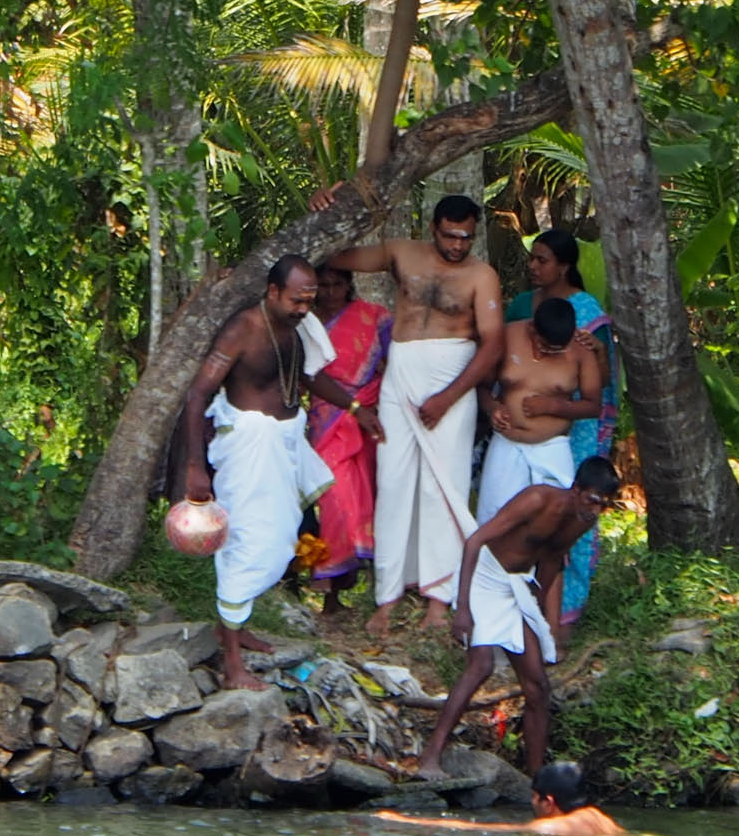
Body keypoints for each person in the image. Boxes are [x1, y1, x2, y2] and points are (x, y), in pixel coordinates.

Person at [183, 255, 384, 690]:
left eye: (308, 300)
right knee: (247, 544)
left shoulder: (299, 329)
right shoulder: (243, 330)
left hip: (284, 447)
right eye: (296, 300)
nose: (303, 308)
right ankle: (232, 663)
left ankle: (232, 626)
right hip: (249, 451)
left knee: (279, 542)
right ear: (273, 292)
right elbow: (198, 395)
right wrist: (195, 465)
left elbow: (308, 379)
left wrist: (355, 409)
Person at [310, 189, 505, 635]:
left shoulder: (481, 275)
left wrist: (450, 396)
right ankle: (388, 595)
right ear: (433, 228)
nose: (458, 245)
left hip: (452, 377)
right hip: (402, 373)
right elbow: (335, 256)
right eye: (451, 236)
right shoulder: (401, 252)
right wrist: (325, 208)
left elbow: (492, 342)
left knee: (443, 486)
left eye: (466, 238)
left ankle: (439, 597)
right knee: (394, 482)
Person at [418, 456, 622, 779]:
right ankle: (430, 756)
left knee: (538, 686)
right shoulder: (537, 499)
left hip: (517, 586)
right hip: (485, 574)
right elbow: (475, 541)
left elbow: (553, 557)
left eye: (604, 505)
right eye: (593, 500)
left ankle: (537, 780)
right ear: (576, 489)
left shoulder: (584, 519)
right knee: (481, 666)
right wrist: (464, 608)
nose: (596, 510)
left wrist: (537, 609)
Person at [505, 230, 619, 637]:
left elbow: (601, 381)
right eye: (532, 260)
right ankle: (513, 601)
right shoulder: (521, 306)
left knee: (569, 510)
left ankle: (563, 612)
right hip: (518, 433)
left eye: (543, 260)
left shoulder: (587, 311)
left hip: (576, 429)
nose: (534, 267)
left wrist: (596, 353)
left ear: (564, 266)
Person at [306, 266, 394, 613]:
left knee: (371, 497)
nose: (330, 292)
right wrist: (353, 407)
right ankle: (330, 591)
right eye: (323, 285)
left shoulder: (372, 318)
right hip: (329, 419)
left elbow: (394, 363)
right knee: (336, 500)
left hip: (372, 418)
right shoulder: (305, 324)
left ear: (349, 285)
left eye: (337, 284)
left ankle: (377, 588)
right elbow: (308, 376)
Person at [474, 296, 602, 527]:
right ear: (532, 328)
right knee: (493, 521)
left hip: (551, 447)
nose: (546, 354)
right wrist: (493, 409)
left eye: (557, 350)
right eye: (543, 345)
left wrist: (553, 406)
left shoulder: (581, 350)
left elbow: (593, 405)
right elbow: (481, 387)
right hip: (507, 443)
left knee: (551, 524)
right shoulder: (507, 336)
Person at [375, 761, 625, 836]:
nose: (532, 802)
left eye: (534, 797)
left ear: (549, 801)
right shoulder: (598, 817)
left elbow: (485, 829)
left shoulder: (550, 826)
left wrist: (407, 822)